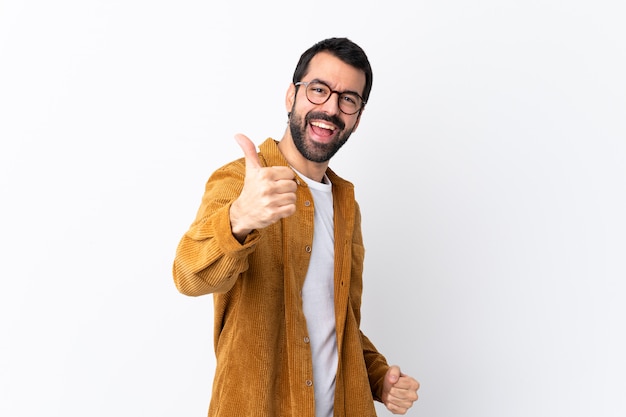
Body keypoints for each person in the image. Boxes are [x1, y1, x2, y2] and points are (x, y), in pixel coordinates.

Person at [172, 37, 420, 417]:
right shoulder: (240, 182)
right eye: (318, 90)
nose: (331, 108)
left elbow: (342, 321)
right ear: (291, 96)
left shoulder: (345, 205)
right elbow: (189, 276)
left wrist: (379, 378)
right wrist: (239, 219)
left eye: (348, 99)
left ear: (357, 116)